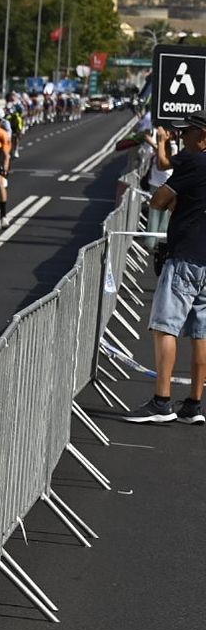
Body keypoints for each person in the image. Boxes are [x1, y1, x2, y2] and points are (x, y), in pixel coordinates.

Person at [127, 113, 206, 425]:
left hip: (186, 254)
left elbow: (158, 201)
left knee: (164, 327)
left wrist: (178, 202)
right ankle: (193, 405)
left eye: (187, 133)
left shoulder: (195, 162)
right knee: (201, 333)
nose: (181, 137)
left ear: (203, 136)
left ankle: (161, 402)